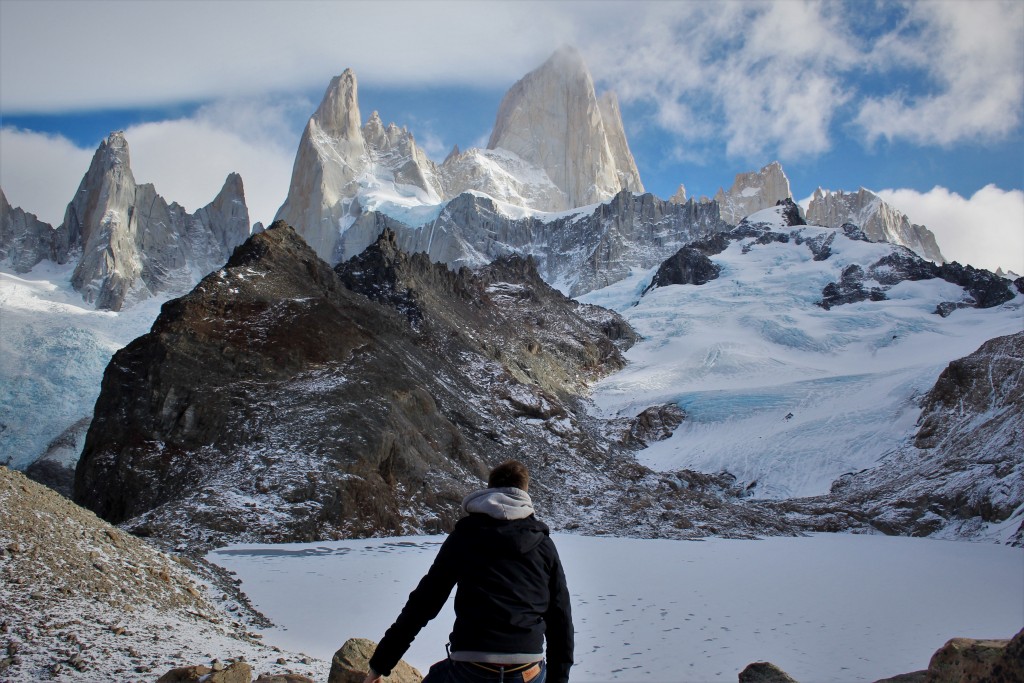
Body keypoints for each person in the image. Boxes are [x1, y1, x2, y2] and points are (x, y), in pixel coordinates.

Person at [362, 460, 573, 683]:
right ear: (525, 492)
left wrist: (380, 665)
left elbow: (423, 604)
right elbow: (561, 619)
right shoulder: (543, 546)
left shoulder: (464, 537)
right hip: (527, 669)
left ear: (489, 488)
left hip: (471, 665)